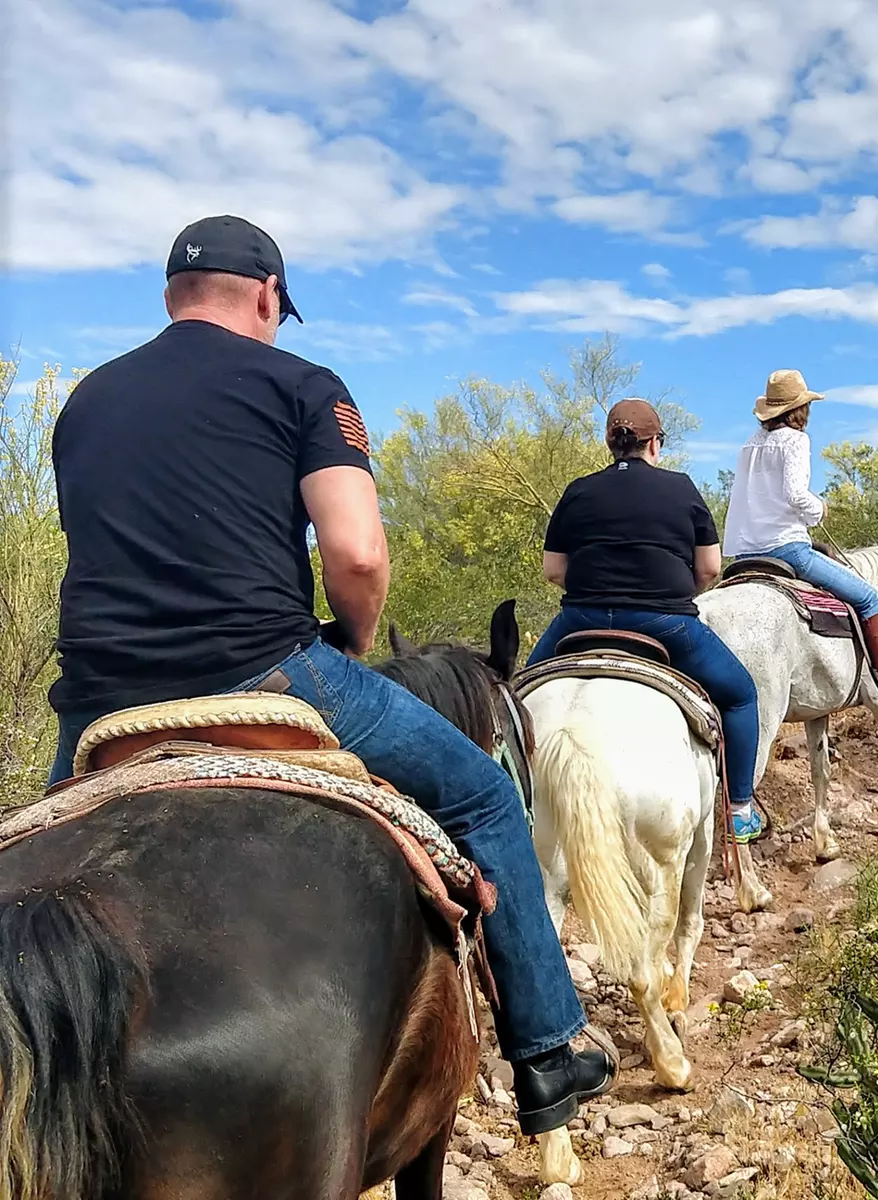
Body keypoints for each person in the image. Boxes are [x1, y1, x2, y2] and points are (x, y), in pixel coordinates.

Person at [47, 215, 612, 1136]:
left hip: (101, 706)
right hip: (263, 673)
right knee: (483, 799)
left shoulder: (85, 401)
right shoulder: (303, 386)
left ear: (169, 298)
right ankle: (548, 1052)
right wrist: (352, 639)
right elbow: (355, 554)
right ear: (268, 296)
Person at [524, 399, 767, 843]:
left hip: (580, 619)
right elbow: (710, 568)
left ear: (609, 443)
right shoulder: (682, 488)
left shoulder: (578, 490)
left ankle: (510, 801)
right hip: (666, 624)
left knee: (513, 696)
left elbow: (553, 570)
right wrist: (669, 592)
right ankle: (740, 808)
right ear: (655, 443)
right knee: (739, 695)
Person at [722, 369, 878, 715]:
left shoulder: (750, 444)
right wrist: (818, 509)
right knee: (869, 597)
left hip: (743, 552)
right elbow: (794, 494)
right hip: (786, 548)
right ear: (800, 409)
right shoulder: (795, 441)